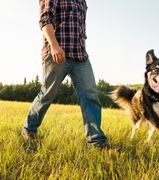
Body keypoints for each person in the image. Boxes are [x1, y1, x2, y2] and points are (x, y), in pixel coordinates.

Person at [21, 0, 108, 148]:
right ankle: (28, 130)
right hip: (58, 53)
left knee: (90, 95)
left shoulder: (82, 2)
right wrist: (54, 46)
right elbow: (45, 20)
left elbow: (82, 30)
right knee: (47, 94)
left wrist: (84, 47)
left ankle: (96, 142)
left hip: (80, 56)